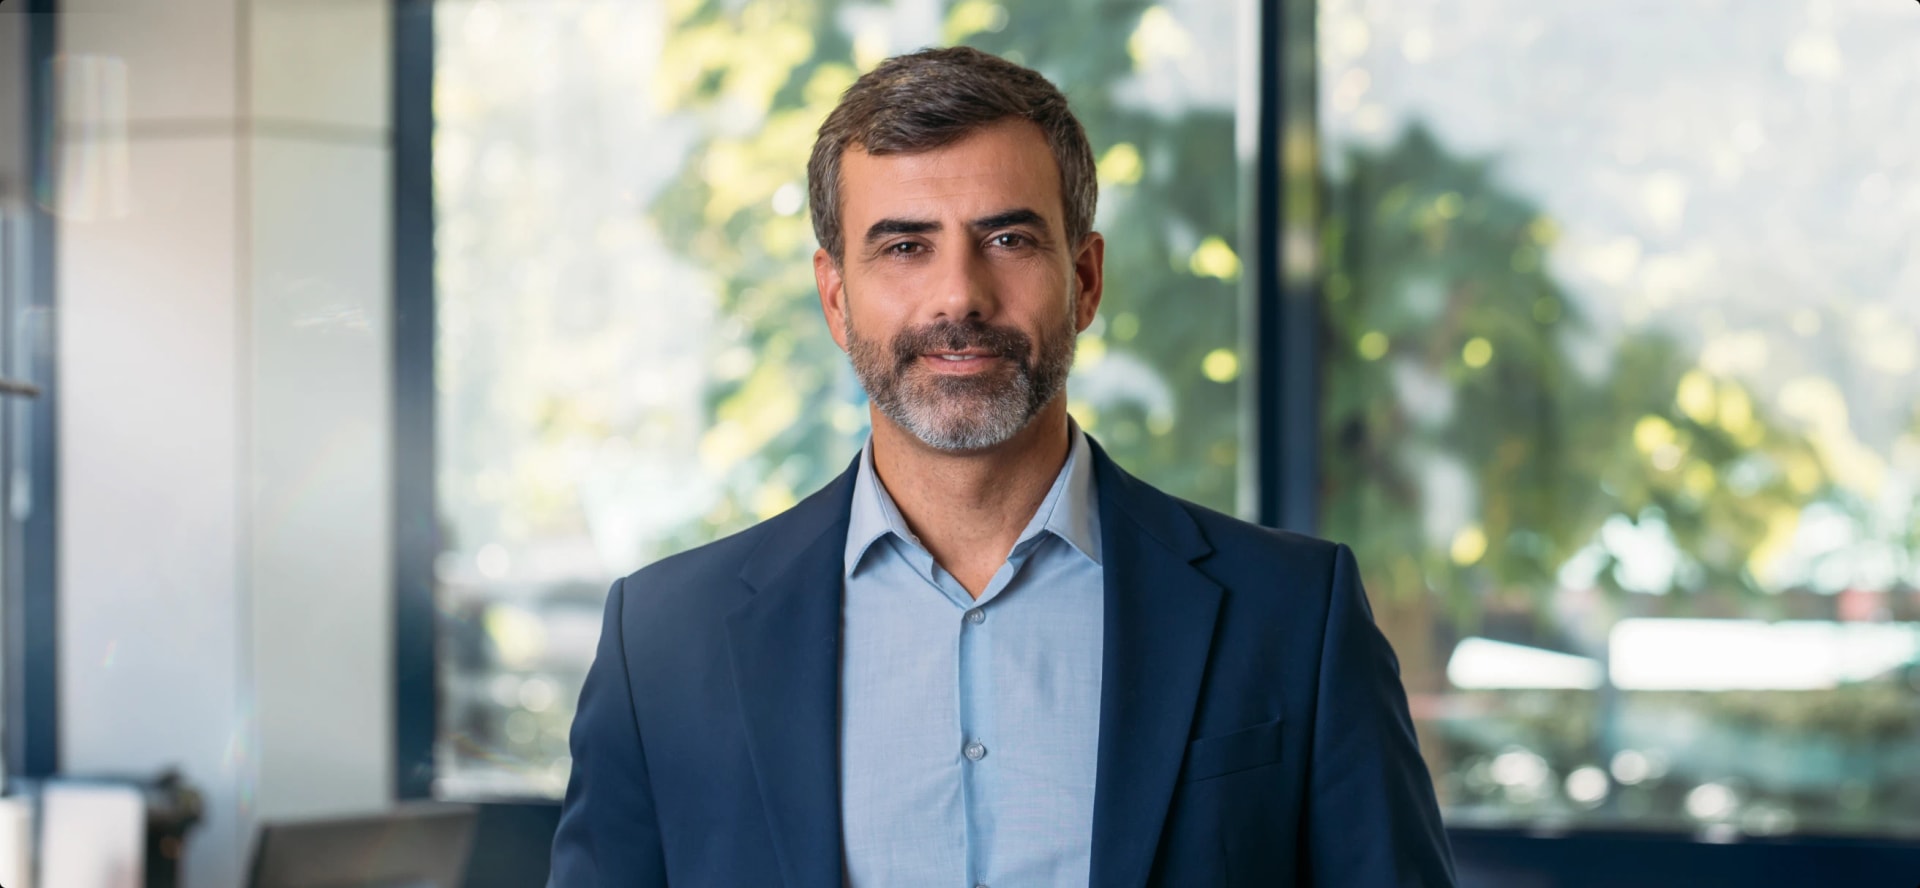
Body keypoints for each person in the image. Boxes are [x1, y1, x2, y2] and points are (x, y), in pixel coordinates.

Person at [548, 46, 1455, 888]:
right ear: (835, 296)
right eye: (905, 246)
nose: (959, 296)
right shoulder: (663, 643)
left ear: (1087, 279)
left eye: (1010, 239)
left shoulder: (1295, 615)